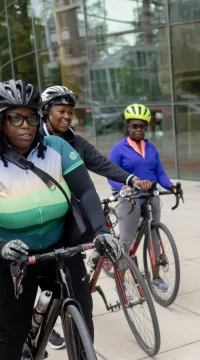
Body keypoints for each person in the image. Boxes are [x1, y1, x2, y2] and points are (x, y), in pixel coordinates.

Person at [0, 79, 122, 359]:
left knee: (82, 317)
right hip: (14, 256)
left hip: (60, 246)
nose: (25, 125)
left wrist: (102, 231)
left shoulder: (55, 146)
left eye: (31, 116)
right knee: (11, 336)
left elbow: (86, 189)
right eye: (14, 117)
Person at [40, 85, 151, 349]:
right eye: (61, 111)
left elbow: (99, 164)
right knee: (44, 281)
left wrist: (130, 178)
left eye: (70, 112)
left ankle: (80, 338)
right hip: (39, 226)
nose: (67, 117)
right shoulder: (33, 141)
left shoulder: (73, 141)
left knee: (78, 293)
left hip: (69, 223)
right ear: (45, 112)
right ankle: (47, 322)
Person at [108, 103, 178, 292]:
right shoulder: (119, 149)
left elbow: (160, 173)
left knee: (154, 236)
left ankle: (155, 277)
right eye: (134, 126)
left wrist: (170, 185)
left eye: (142, 126)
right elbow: (111, 176)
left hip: (151, 196)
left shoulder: (151, 147)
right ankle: (120, 284)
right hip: (130, 198)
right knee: (126, 240)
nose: (139, 129)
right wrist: (124, 187)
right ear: (127, 126)